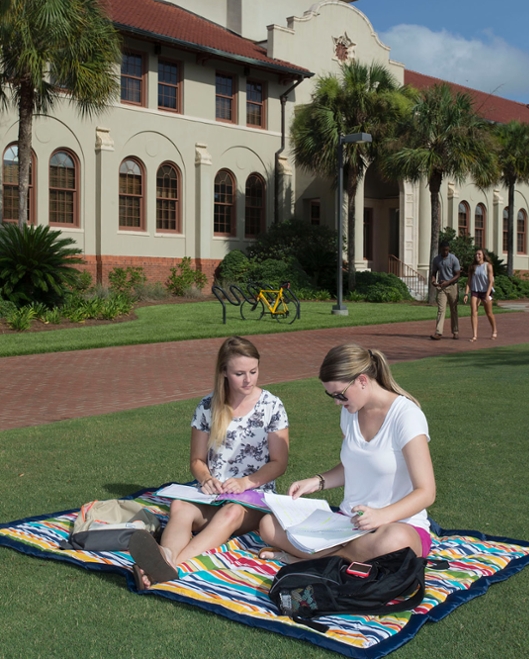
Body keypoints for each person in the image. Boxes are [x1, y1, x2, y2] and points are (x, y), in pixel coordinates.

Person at [130, 336, 289, 587]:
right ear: (224, 372)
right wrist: (205, 478)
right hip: (214, 494)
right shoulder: (207, 406)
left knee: (232, 511)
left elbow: (279, 462)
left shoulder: (272, 406)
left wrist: (245, 482)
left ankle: (171, 566)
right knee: (180, 506)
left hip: (254, 498)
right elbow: (197, 460)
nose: (248, 379)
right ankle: (166, 558)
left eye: (253, 371)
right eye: (240, 373)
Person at [259, 344, 435, 564]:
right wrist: (317, 481)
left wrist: (382, 516)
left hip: (397, 525)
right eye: (331, 395)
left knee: (395, 541)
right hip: (349, 526)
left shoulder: (406, 416)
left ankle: (308, 561)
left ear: (362, 381)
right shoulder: (349, 412)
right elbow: (355, 465)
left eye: (340, 395)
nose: (337, 402)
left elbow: (426, 492)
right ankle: (338, 558)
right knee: (268, 524)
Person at [463, 248, 497, 342]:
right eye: (476, 254)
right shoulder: (472, 267)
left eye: (479, 254)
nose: (477, 256)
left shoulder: (488, 266)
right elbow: (469, 281)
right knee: (473, 312)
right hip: (475, 291)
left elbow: (491, 281)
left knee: (489, 313)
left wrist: (487, 294)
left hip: (487, 291)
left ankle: (494, 330)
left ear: (483, 255)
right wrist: (466, 293)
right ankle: (474, 335)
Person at [430, 241, 461, 340]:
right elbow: (434, 272)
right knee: (441, 309)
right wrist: (433, 280)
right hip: (441, 287)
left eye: (447, 250)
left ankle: (455, 331)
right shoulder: (436, 260)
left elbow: (457, 274)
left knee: (454, 309)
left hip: (452, 286)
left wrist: (448, 282)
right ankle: (438, 332)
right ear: (440, 249)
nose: (446, 252)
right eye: (444, 250)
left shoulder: (453, 259)